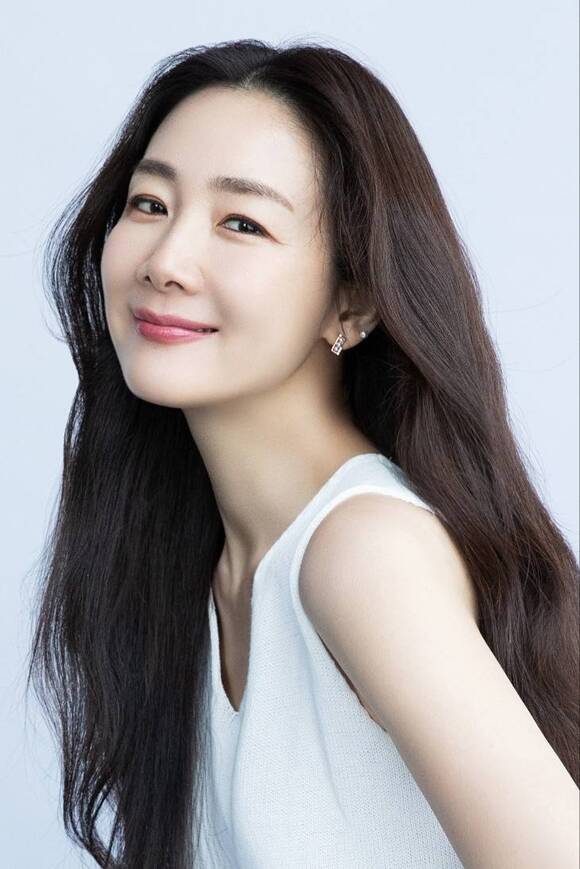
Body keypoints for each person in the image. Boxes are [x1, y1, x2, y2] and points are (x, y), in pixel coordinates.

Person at [27, 39, 579, 868]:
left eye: (242, 222)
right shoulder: (200, 564)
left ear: (350, 302)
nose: (167, 261)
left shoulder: (361, 553)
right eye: (149, 203)